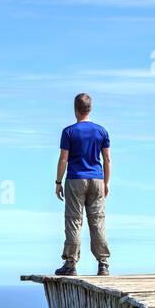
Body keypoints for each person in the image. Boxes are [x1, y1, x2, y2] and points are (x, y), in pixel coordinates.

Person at [53, 93, 111, 276]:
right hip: (97, 179)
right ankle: (103, 263)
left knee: (74, 220)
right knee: (97, 220)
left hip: (75, 178)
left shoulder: (69, 132)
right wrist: (106, 182)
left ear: (75, 109)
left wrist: (58, 181)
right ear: (90, 108)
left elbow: (64, 158)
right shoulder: (101, 131)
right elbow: (107, 159)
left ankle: (71, 263)